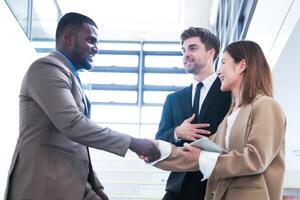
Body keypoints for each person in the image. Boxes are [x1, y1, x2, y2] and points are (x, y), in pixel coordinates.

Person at [4, 12, 160, 200]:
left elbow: (78, 145)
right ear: (68, 38)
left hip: (72, 184)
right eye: (91, 40)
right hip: (43, 187)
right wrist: (133, 143)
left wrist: (94, 187)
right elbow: (73, 125)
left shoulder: (69, 76)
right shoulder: (46, 68)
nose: (96, 49)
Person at [152, 40, 286, 200]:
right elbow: (197, 154)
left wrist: (201, 157)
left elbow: (255, 159)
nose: (219, 71)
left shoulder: (266, 105)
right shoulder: (230, 116)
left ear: (242, 65)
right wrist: (155, 151)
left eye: (223, 62)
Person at [155, 27, 231, 200]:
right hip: (177, 188)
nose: (186, 54)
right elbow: (159, 140)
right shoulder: (173, 99)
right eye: (183, 50)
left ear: (211, 53)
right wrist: (177, 133)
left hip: (215, 186)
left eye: (193, 48)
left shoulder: (230, 94)